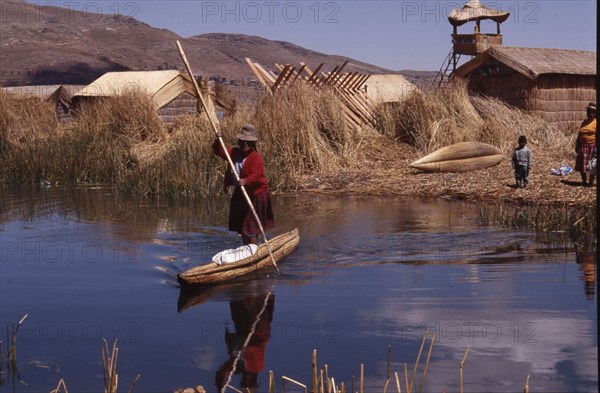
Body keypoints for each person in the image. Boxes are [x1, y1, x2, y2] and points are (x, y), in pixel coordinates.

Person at [213, 124, 274, 245]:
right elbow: (220, 151)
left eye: (248, 142)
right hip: (241, 192)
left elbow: (256, 175)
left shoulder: (256, 157)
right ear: (239, 141)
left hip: (256, 194)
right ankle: (247, 248)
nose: (245, 144)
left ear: (252, 144)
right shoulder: (234, 152)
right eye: (243, 141)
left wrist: (245, 180)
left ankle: (252, 249)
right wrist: (217, 140)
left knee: (250, 225)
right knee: (242, 225)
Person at [575, 102, 596, 187]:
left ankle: (590, 183)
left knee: (593, 166)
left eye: (592, 112)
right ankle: (584, 182)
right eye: (588, 112)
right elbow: (579, 134)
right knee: (581, 166)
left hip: (592, 146)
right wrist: (577, 145)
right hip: (583, 146)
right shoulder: (584, 122)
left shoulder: (596, 122)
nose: (590, 114)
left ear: (595, 113)